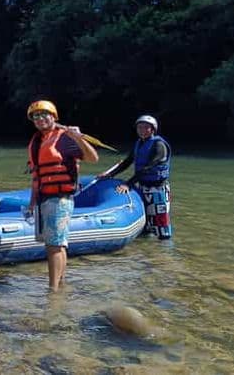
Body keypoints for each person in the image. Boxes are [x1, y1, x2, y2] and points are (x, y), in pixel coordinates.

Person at [26, 100, 99, 292]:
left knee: (54, 246)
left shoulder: (65, 138)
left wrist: (79, 138)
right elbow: (36, 177)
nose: (40, 118)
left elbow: (93, 158)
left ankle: (52, 291)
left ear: (54, 117)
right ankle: (61, 284)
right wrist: (32, 203)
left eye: (44, 114)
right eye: (36, 116)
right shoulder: (36, 142)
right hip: (44, 198)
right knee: (57, 245)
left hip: (61, 199)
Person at [98, 115, 172, 239]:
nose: (142, 130)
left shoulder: (159, 146)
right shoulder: (139, 143)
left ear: (153, 129)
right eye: (139, 127)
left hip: (157, 188)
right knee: (146, 224)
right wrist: (110, 175)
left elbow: (148, 167)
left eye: (146, 128)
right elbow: (127, 162)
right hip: (142, 186)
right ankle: (147, 251)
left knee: (161, 225)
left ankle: (164, 252)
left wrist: (128, 183)